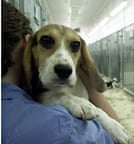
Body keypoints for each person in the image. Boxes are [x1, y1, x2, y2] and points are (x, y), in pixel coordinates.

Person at [1, 1, 115, 144]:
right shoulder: (66, 129)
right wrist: (96, 96)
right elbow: (122, 140)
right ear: (27, 45)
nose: (62, 60)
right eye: (47, 41)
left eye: (74, 46)